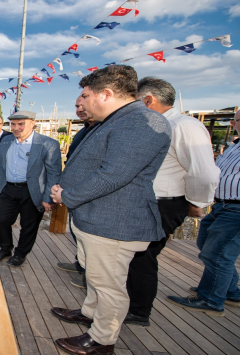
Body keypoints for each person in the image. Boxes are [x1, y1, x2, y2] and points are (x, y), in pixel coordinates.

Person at [49, 65, 171, 355]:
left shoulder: (141, 122)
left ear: (106, 94)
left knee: (109, 285)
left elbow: (113, 175)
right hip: (95, 218)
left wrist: (68, 195)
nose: (84, 103)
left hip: (114, 221)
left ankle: (102, 339)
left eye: (86, 96)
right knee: (94, 275)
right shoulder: (116, 120)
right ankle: (90, 313)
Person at [121, 77, 220, 326]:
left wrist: (199, 201)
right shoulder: (160, 125)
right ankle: (129, 304)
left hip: (163, 203)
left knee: (142, 256)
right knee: (133, 256)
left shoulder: (184, 126)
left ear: (148, 99)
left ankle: (139, 311)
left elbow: (204, 172)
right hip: (148, 202)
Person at [0, 110, 61, 266]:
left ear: (33, 123)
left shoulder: (48, 144)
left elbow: (54, 173)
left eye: (21, 124)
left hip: (32, 190)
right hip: (8, 188)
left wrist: (49, 198)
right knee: (1, 221)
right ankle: (5, 248)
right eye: (13, 124)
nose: (16, 128)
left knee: (29, 225)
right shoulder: (7, 141)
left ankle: (20, 254)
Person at [167, 109, 240, 316]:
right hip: (222, 205)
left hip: (236, 208)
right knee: (207, 245)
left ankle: (211, 299)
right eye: (233, 120)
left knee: (218, 254)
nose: (233, 124)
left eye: (235, 120)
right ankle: (230, 290)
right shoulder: (234, 146)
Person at [55, 97, 98, 289]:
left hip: (92, 194)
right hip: (75, 193)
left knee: (92, 239)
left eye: (83, 105)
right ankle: (81, 266)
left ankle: (91, 277)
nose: (79, 110)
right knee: (78, 232)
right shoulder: (84, 131)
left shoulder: (103, 130)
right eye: (77, 106)